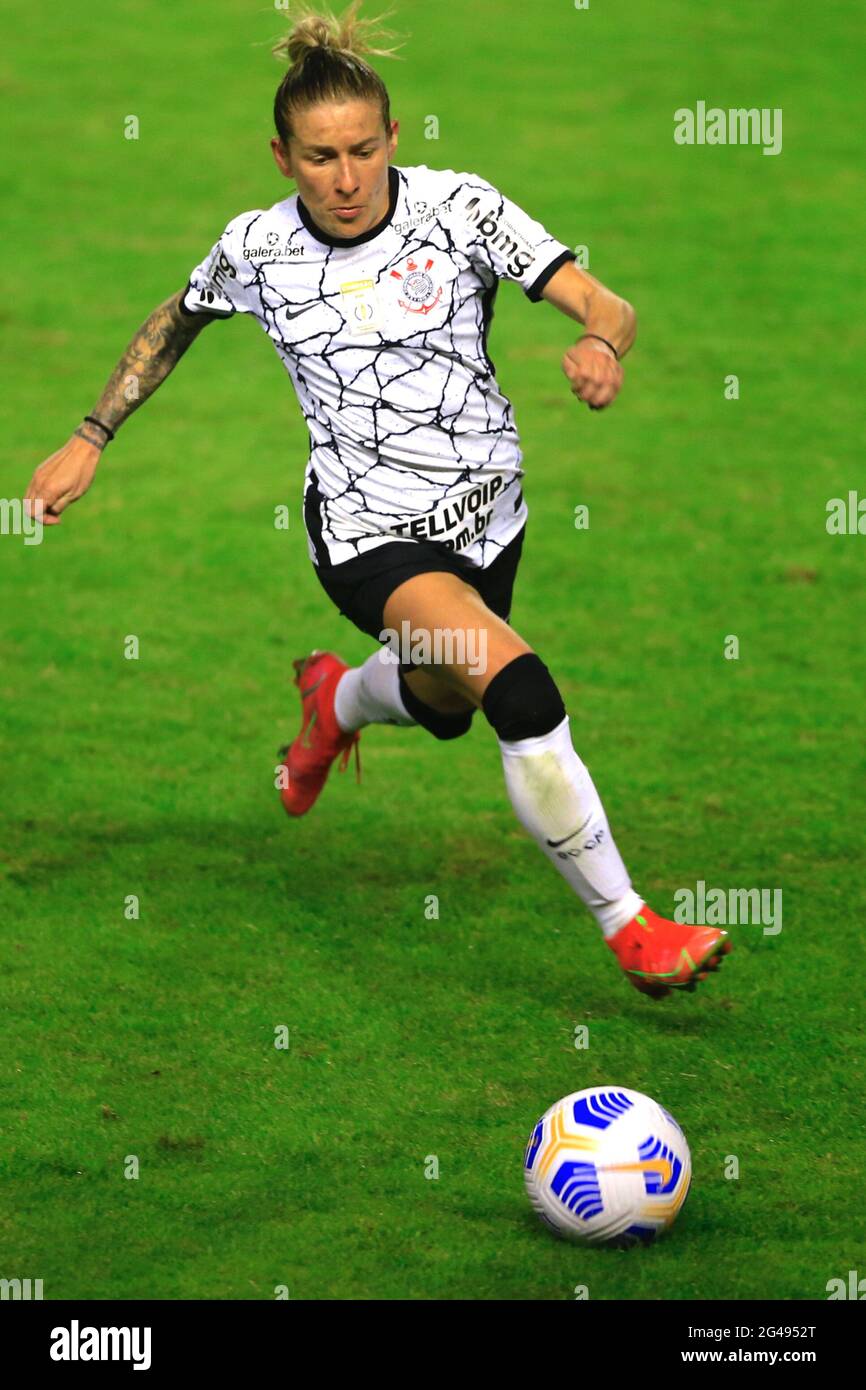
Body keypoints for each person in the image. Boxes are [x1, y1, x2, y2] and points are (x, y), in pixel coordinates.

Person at [24, 1, 730, 999]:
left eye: (362, 149)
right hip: (364, 534)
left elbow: (604, 301)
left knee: (443, 705)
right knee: (518, 693)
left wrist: (600, 343)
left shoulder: (459, 210)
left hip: (490, 518)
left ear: (394, 137)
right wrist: (88, 436)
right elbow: (175, 318)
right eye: (318, 157)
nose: (345, 178)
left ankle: (333, 702)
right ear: (280, 156)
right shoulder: (258, 248)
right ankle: (631, 927)